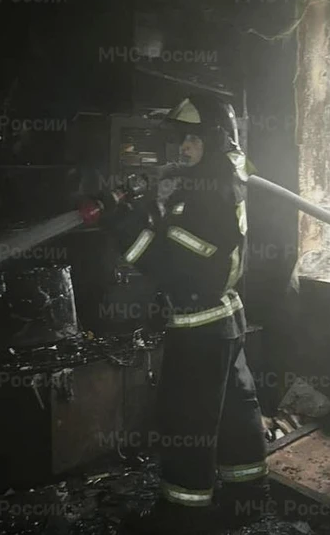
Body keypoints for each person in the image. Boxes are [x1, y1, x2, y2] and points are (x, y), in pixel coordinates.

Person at [100, 94, 270, 534]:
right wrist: (145, 208)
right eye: (182, 140)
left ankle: (183, 514)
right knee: (235, 412)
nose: (184, 148)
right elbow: (178, 238)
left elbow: (167, 262)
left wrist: (119, 224)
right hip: (224, 319)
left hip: (199, 328)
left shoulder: (207, 193)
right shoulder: (219, 181)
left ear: (215, 140)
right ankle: (248, 497)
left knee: (186, 420)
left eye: (194, 139)